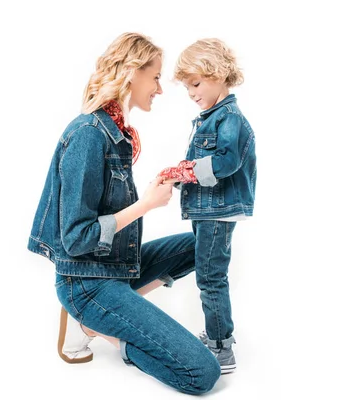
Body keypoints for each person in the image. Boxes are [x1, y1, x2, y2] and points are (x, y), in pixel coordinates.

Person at [27, 33, 220, 394]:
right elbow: (76, 237)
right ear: (133, 72)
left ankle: (112, 311)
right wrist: (145, 204)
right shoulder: (88, 134)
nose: (160, 89)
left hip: (113, 266)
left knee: (204, 244)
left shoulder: (116, 132)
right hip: (85, 282)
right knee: (201, 374)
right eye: (157, 77)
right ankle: (94, 327)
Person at [158, 38, 257, 374]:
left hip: (217, 211)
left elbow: (226, 161)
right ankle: (218, 333)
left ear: (218, 74)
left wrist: (189, 171)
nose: (192, 94)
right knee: (208, 272)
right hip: (206, 209)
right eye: (188, 88)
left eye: (196, 84)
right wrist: (183, 173)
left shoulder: (230, 118)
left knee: (211, 277)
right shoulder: (210, 117)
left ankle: (221, 347)